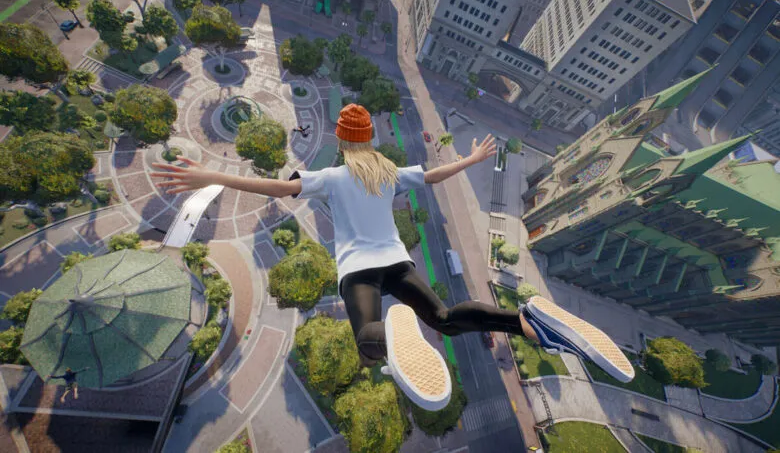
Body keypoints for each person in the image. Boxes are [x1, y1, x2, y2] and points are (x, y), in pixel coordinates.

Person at [151, 104, 634, 412]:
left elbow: (277, 187)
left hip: (359, 270)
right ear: (368, 142)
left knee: (366, 340)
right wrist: (472, 160)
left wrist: (214, 177)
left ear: (342, 142)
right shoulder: (389, 172)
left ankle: (393, 336)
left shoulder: (332, 176)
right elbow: (436, 175)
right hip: (398, 264)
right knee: (443, 319)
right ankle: (528, 321)